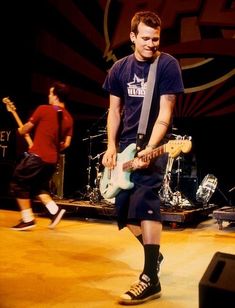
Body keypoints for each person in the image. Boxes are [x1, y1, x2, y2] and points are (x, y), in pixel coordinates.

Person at [102, 11, 184, 305]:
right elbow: (114, 111)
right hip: (124, 146)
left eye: (156, 38)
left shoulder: (167, 65)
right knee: (124, 213)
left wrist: (151, 148)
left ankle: (150, 277)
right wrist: (111, 146)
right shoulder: (120, 69)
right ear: (133, 37)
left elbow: (165, 112)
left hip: (154, 144)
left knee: (145, 200)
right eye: (145, 38)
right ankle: (154, 254)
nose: (151, 44)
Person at [10, 81, 74, 231]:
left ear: (56, 96)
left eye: (51, 93)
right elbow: (67, 144)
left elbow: (27, 128)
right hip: (52, 161)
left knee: (18, 182)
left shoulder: (43, 109)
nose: (49, 96)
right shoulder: (69, 118)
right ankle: (55, 211)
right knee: (37, 187)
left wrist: (20, 131)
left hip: (37, 157)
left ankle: (28, 219)